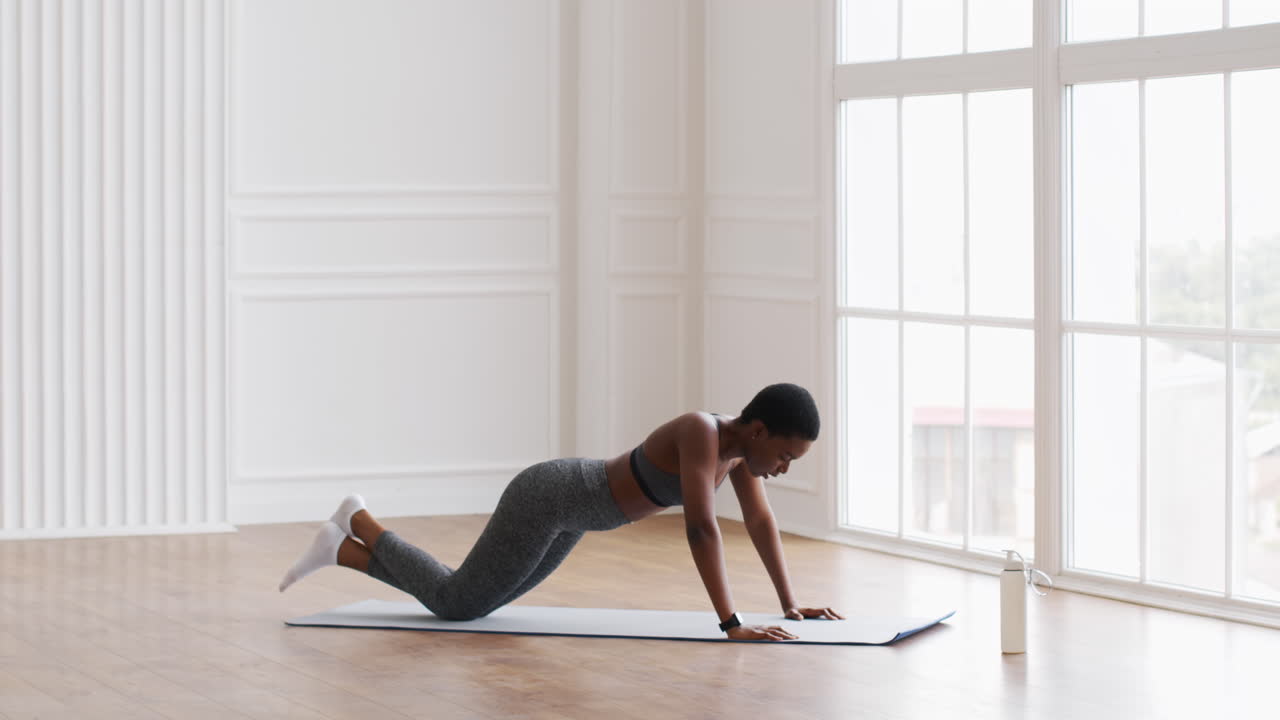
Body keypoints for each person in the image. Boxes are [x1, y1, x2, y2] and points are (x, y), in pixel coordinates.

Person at [279, 382, 844, 641]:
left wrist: (791, 606)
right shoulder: (703, 431)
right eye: (787, 455)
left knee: (472, 606)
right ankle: (360, 525)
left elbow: (760, 524)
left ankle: (342, 545)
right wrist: (731, 624)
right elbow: (700, 527)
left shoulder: (743, 455)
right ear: (761, 430)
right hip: (550, 497)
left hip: (575, 518)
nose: (785, 467)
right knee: (456, 605)